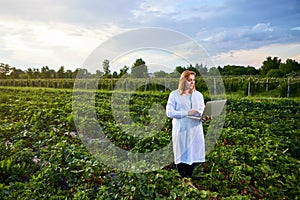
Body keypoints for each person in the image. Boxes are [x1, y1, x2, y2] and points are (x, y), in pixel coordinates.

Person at [166, 70, 208, 179]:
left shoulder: (199, 95)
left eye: (193, 80)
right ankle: (182, 178)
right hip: (181, 129)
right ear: (183, 81)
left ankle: (189, 178)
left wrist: (205, 117)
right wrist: (187, 113)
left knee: (193, 154)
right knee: (181, 155)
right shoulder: (174, 95)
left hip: (195, 129)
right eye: (189, 80)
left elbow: (201, 111)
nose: (192, 83)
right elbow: (170, 113)